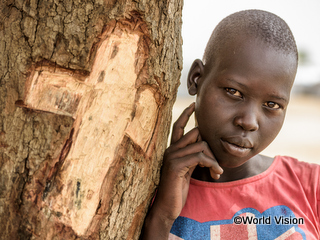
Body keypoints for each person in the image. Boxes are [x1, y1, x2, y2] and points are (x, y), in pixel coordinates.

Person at [141, 9, 320, 240]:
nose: (248, 122)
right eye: (233, 92)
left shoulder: (310, 187)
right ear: (196, 78)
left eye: (272, 104)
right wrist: (162, 217)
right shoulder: (146, 192)